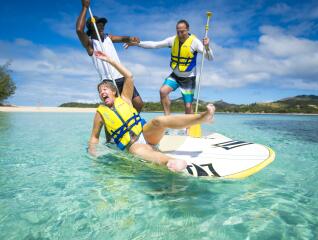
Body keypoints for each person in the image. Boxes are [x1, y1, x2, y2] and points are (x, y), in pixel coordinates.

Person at [88, 51, 216, 172]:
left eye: (105, 89)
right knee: (142, 151)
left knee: (158, 121)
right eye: (100, 91)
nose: (102, 92)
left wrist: (110, 60)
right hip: (132, 144)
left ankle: (202, 118)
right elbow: (94, 137)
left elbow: (129, 76)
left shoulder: (125, 98)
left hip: (147, 133)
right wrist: (93, 156)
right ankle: (170, 161)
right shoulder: (100, 113)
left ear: (114, 91)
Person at [124, 19, 213, 115]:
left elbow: (210, 58)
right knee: (163, 91)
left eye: (182, 31)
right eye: (177, 31)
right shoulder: (172, 40)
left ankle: (189, 128)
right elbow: (155, 45)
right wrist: (138, 44)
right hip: (175, 75)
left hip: (188, 77)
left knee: (188, 106)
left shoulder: (195, 42)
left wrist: (207, 47)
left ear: (188, 30)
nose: (179, 34)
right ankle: (168, 118)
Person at [76, 0, 143, 112]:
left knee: (138, 104)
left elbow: (123, 38)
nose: (102, 25)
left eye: (102, 24)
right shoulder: (90, 44)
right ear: (91, 28)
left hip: (122, 77)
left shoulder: (109, 37)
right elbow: (79, 30)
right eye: (98, 24)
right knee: (115, 110)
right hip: (108, 81)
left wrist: (132, 38)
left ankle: (133, 125)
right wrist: (84, 7)